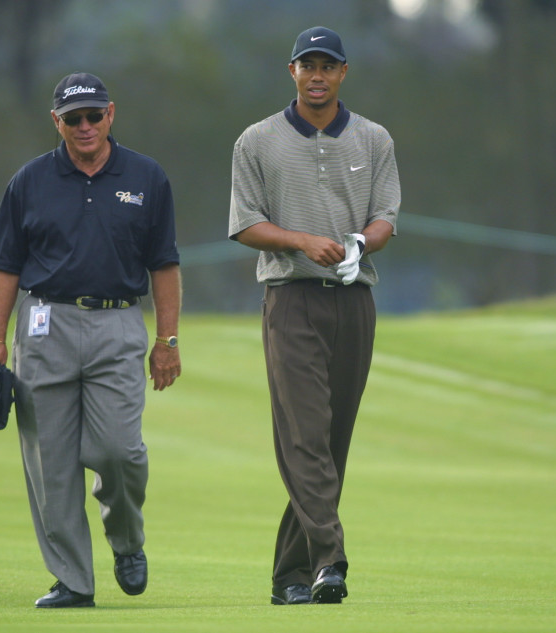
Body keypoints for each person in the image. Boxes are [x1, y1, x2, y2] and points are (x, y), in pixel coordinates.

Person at [0, 72, 182, 608]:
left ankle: (126, 540)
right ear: (57, 122)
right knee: (50, 460)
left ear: (111, 114)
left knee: (117, 450)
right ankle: (74, 580)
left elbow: (164, 264)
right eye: (74, 119)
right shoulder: (29, 181)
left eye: (94, 116)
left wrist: (169, 340)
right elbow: (5, 266)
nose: (85, 126)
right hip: (44, 326)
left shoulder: (146, 176)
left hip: (117, 324)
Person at [229, 27, 400, 605]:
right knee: (304, 437)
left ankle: (290, 576)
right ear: (292, 71)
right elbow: (245, 223)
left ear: (344, 73)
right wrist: (302, 241)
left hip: (354, 302)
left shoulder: (374, 139)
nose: (318, 75)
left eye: (329, 65)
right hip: (292, 300)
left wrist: (359, 242)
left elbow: (385, 218)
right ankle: (332, 558)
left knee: (332, 443)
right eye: (309, 65)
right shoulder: (257, 140)